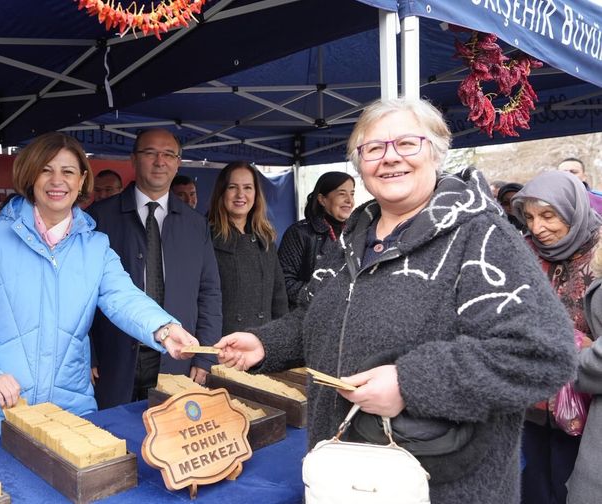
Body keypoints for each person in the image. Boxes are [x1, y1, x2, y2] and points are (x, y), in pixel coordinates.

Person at [213, 98, 576, 504]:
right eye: (373, 148)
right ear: (360, 163)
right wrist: (267, 343)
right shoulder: (354, 236)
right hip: (345, 476)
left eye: (407, 143)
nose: (389, 158)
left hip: (440, 485)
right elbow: (318, 317)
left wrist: (410, 382)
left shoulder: (480, 236)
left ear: (436, 151)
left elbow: (542, 353)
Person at [0, 132, 199, 445]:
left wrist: (164, 329)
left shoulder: (95, 246)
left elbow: (123, 297)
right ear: (31, 175)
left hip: (68, 414)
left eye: (68, 171)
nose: (57, 181)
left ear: (82, 179)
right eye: (46, 170)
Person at [88, 128, 222, 408]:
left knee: (170, 437)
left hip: (177, 357)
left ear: (178, 163)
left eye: (168, 154)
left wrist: (204, 356)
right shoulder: (99, 217)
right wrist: (88, 354)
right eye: (150, 153)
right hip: (113, 356)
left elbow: (209, 293)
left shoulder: (196, 224)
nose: (159, 161)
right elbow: (80, 294)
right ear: (134, 160)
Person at [509, 171, 601, 504]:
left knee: (575, 488)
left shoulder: (600, 252)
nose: (537, 227)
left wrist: (578, 347)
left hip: (588, 406)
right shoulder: (524, 252)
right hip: (531, 402)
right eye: (530, 217)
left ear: (573, 210)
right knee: (531, 488)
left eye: (548, 215)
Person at [208, 161, 287, 334]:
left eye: (248, 188)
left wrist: (280, 340)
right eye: (232, 187)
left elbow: (279, 297)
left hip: (263, 344)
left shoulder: (266, 239)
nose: (240, 194)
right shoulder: (205, 238)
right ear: (221, 192)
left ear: (256, 193)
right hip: (223, 344)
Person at [277, 171, 355, 309]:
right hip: (307, 318)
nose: (350, 200)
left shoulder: (356, 232)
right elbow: (284, 282)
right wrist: (323, 298)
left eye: (352, 194)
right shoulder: (299, 233)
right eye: (342, 193)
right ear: (322, 199)